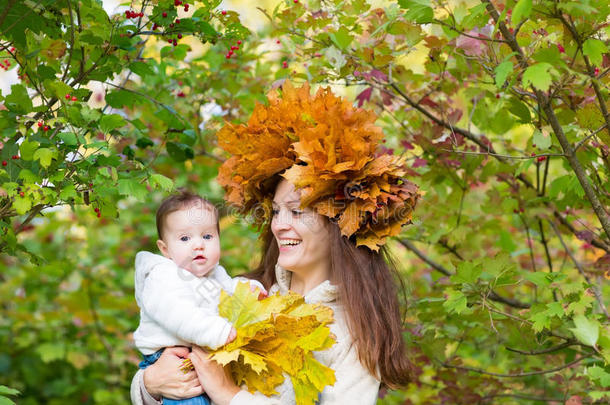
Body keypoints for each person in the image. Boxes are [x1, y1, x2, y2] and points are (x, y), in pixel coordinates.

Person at [130, 81, 420, 405]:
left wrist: (230, 396)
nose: (280, 225)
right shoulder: (244, 292)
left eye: (297, 211)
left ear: (341, 221)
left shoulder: (355, 332)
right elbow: (172, 348)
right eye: (277, 211)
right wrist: (149, 384)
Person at [132, 191, 266, 405]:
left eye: (207, 236)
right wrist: (215, 331)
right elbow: (178, 313)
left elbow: (230, 291)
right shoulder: (162, 276)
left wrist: (249, 290)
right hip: (173, 359)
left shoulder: (214, 273)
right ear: (165, 249)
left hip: (202, 356)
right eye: (185, 238)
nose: (198, 245)